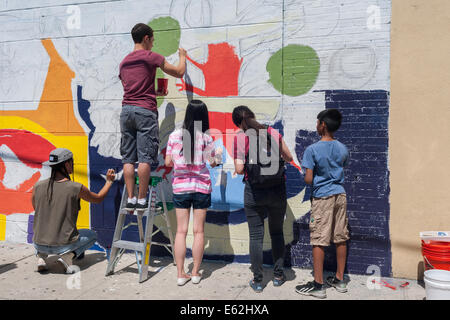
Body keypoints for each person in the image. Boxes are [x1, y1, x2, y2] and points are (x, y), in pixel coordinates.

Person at [119, 23, 186, 212]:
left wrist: (151, 89)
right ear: (146, 38)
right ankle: (141, 200)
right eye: (153, 40)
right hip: (145, 111)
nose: (153, 44)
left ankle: (130, 198)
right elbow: (178, 72)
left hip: (126, 111)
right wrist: (182, 57)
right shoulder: (151, 57)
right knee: (145, 158)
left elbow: (132, 85)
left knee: (128, 159)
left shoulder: (124, 61)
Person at [231, 105, 293, 293]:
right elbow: (289, 157)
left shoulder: (241, 138)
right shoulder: (272, 132)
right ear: (253, 116)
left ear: (238, 122)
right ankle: (278, 275)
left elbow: (240, 169)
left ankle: (258, 281)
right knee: (276, 233)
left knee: (256, 237)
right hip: (277, 190)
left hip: (254, 191)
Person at [165, 100, 222, 286]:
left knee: (181, 231)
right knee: (199, 231)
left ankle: (181, 274)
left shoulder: (174, 136)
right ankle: (196, 273)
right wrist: (218, 155)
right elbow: (212, 162)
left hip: (181, 188)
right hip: (201, 188)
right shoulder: (206, 138)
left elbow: (167, 163)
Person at [32, 148, 116, 274]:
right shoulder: (75, 188)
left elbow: (36, 208)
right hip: (63, 244)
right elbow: (98, 199)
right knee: (92, 235)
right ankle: (68, 256)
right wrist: (109, 182)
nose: (73, 164)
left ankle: (41, 258)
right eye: (72, 162)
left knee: (44, 233)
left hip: (38, 243)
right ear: (66, 164)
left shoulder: (37, 186)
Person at [295, 109, 350, 299]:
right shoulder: (343, 148)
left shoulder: (312, 150)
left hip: (322, 198)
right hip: (340, 195)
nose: (316, 125)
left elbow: (309, 179)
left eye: (317, 122)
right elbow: (342, 167)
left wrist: (308, 175)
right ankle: (340, 279)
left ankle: (318, 284)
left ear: (323, 125)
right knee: (340, 236)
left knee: (318, 239)